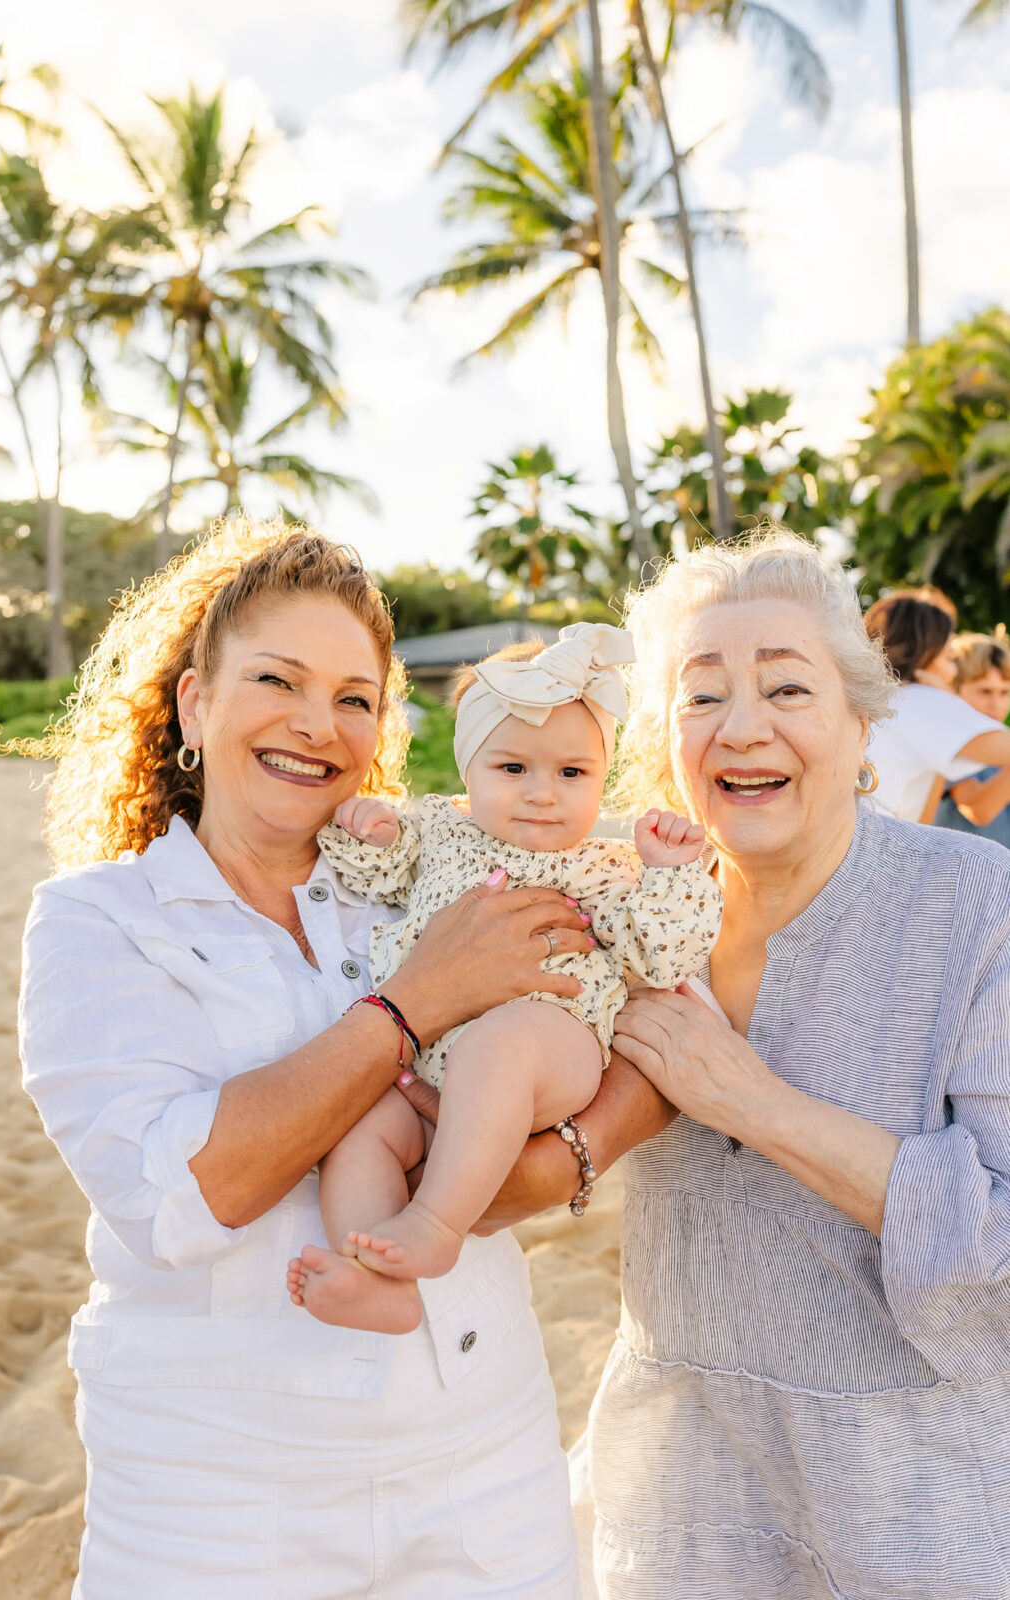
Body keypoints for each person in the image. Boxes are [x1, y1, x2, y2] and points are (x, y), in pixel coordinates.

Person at [18, 519, 594, 1599]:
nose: (314, 724)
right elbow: (186, 1194)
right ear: (194, 701)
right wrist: (418, 1000)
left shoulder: (428, 875)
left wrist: (569, 1156)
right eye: (275, 679)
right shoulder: (97, 920)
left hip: (486, 1460)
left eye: (352, 697)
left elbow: (622, 1030)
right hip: (217, 1499)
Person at [559, 528, 1010, 1598]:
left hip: (910, 1486)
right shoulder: (619, 904)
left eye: (786, 689)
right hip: (674, 1477)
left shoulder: (972, 906)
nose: (741, 728)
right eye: (700, 694)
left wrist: (745, 1100)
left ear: (859, 722)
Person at [288, 625, 720, 1333]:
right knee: (361, 1129)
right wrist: (372, 832)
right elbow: (376, 874)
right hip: (430, 1052)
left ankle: (431, 1225)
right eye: (512, 769)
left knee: (500, 1045)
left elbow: (660, 954)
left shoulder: (604, 866)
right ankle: (372, 1275)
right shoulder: (439, 831)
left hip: (552, 1038)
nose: (542, 795)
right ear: (468, 768)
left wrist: (669, 873)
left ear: (600, 776)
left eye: (571, 773)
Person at [863, 591, 1010, 821]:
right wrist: (949, 696)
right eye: (949, 658)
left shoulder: (884, 703)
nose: (953, 672)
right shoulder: (919, 701)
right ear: (924, 656)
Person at [934, 630, 1010, 848]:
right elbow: (979, 810)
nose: (996, 703)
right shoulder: (948, 741)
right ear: (954, 689)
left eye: (1004, 693)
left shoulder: (1003, 738)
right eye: (985, 691)